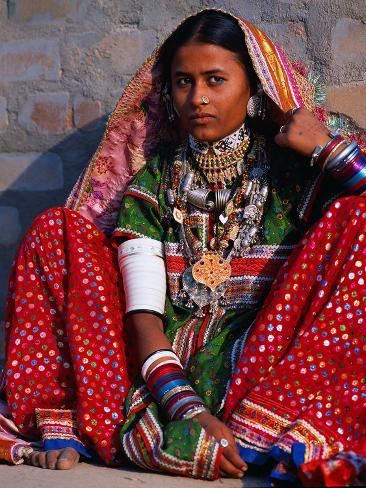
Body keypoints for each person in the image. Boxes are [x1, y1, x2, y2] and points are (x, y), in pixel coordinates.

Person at [1, 9, 365, 486]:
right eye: (183, 82)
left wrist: (328, 151)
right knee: (56, 229)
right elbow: (144, 316)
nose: (198, 98)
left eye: (216, 80)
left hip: (265, 367)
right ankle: (70, 422)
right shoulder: (156, 178)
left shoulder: (293, 172)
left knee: (358, 216)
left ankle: (265, 430)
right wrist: (186, 409)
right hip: (160, 371)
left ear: (254, 87)